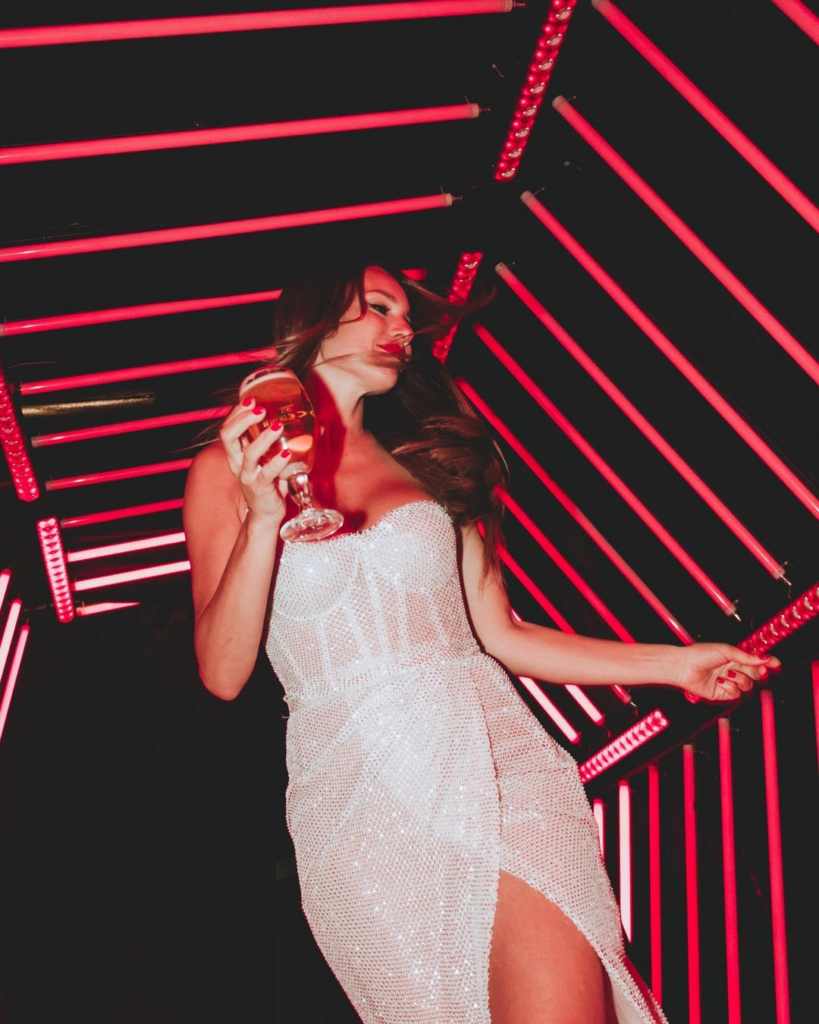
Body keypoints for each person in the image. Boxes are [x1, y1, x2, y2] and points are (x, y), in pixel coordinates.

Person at [183, 264, 779, 1023]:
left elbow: (500, 632)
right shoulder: (223, 473)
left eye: (407, 315)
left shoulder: (435, 470)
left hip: (496, 766)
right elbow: (223, 671)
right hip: (357, 795)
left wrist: (676, 664)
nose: (402, 328)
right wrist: (263, 516)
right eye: (378, 308)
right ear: (312, 319)